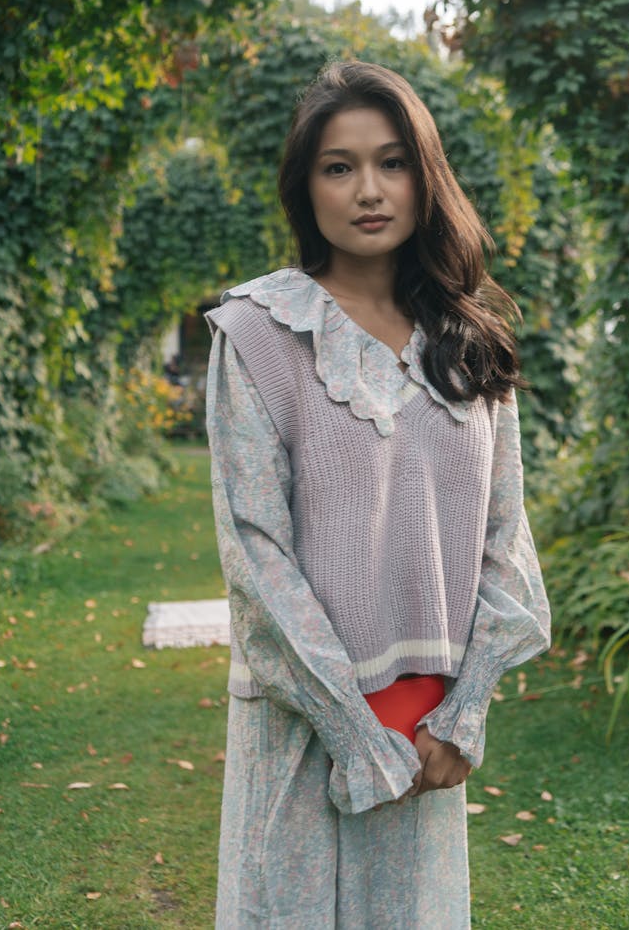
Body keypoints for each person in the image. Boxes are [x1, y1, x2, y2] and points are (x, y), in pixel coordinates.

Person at [204, 60, 551, 929]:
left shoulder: (469, 341)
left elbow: (505, 542)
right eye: (338, 166)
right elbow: (256, 557)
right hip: (305, 728)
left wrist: (461, 718)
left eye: (392, 162)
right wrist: (358, 735)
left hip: (431, 733)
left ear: (423, 176)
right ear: (305, 186)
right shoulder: (256, 333)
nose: (369, 189)